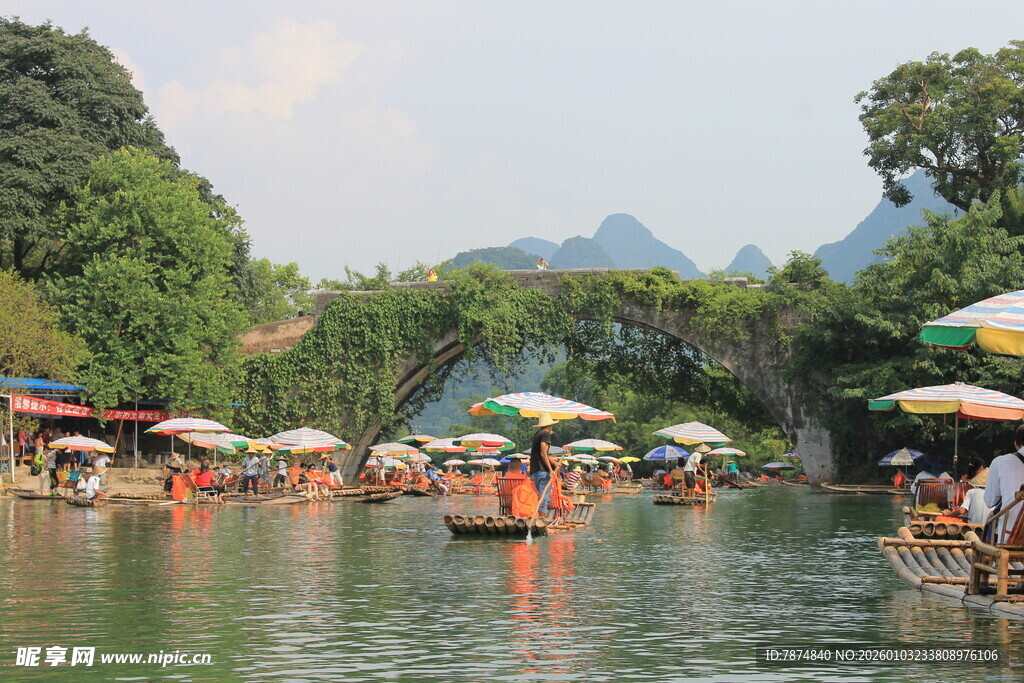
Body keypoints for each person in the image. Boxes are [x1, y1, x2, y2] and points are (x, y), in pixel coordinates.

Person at [985, 425, 1024, 543]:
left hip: (1011, 538)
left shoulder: (1000, 462)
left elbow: (990, 501)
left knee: (991, 518)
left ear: (1016, 444)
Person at [530, 413, 558, 516]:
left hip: (536, 471)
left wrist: (554, 462)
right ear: (550, 425)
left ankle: (539, 520)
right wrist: (551, 469)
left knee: (541, 497)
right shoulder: (546, 434)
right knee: (544, 499)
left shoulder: (537, 434)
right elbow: (543, 453)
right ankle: (541, 522)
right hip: (543, 471)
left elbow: (542, 454)